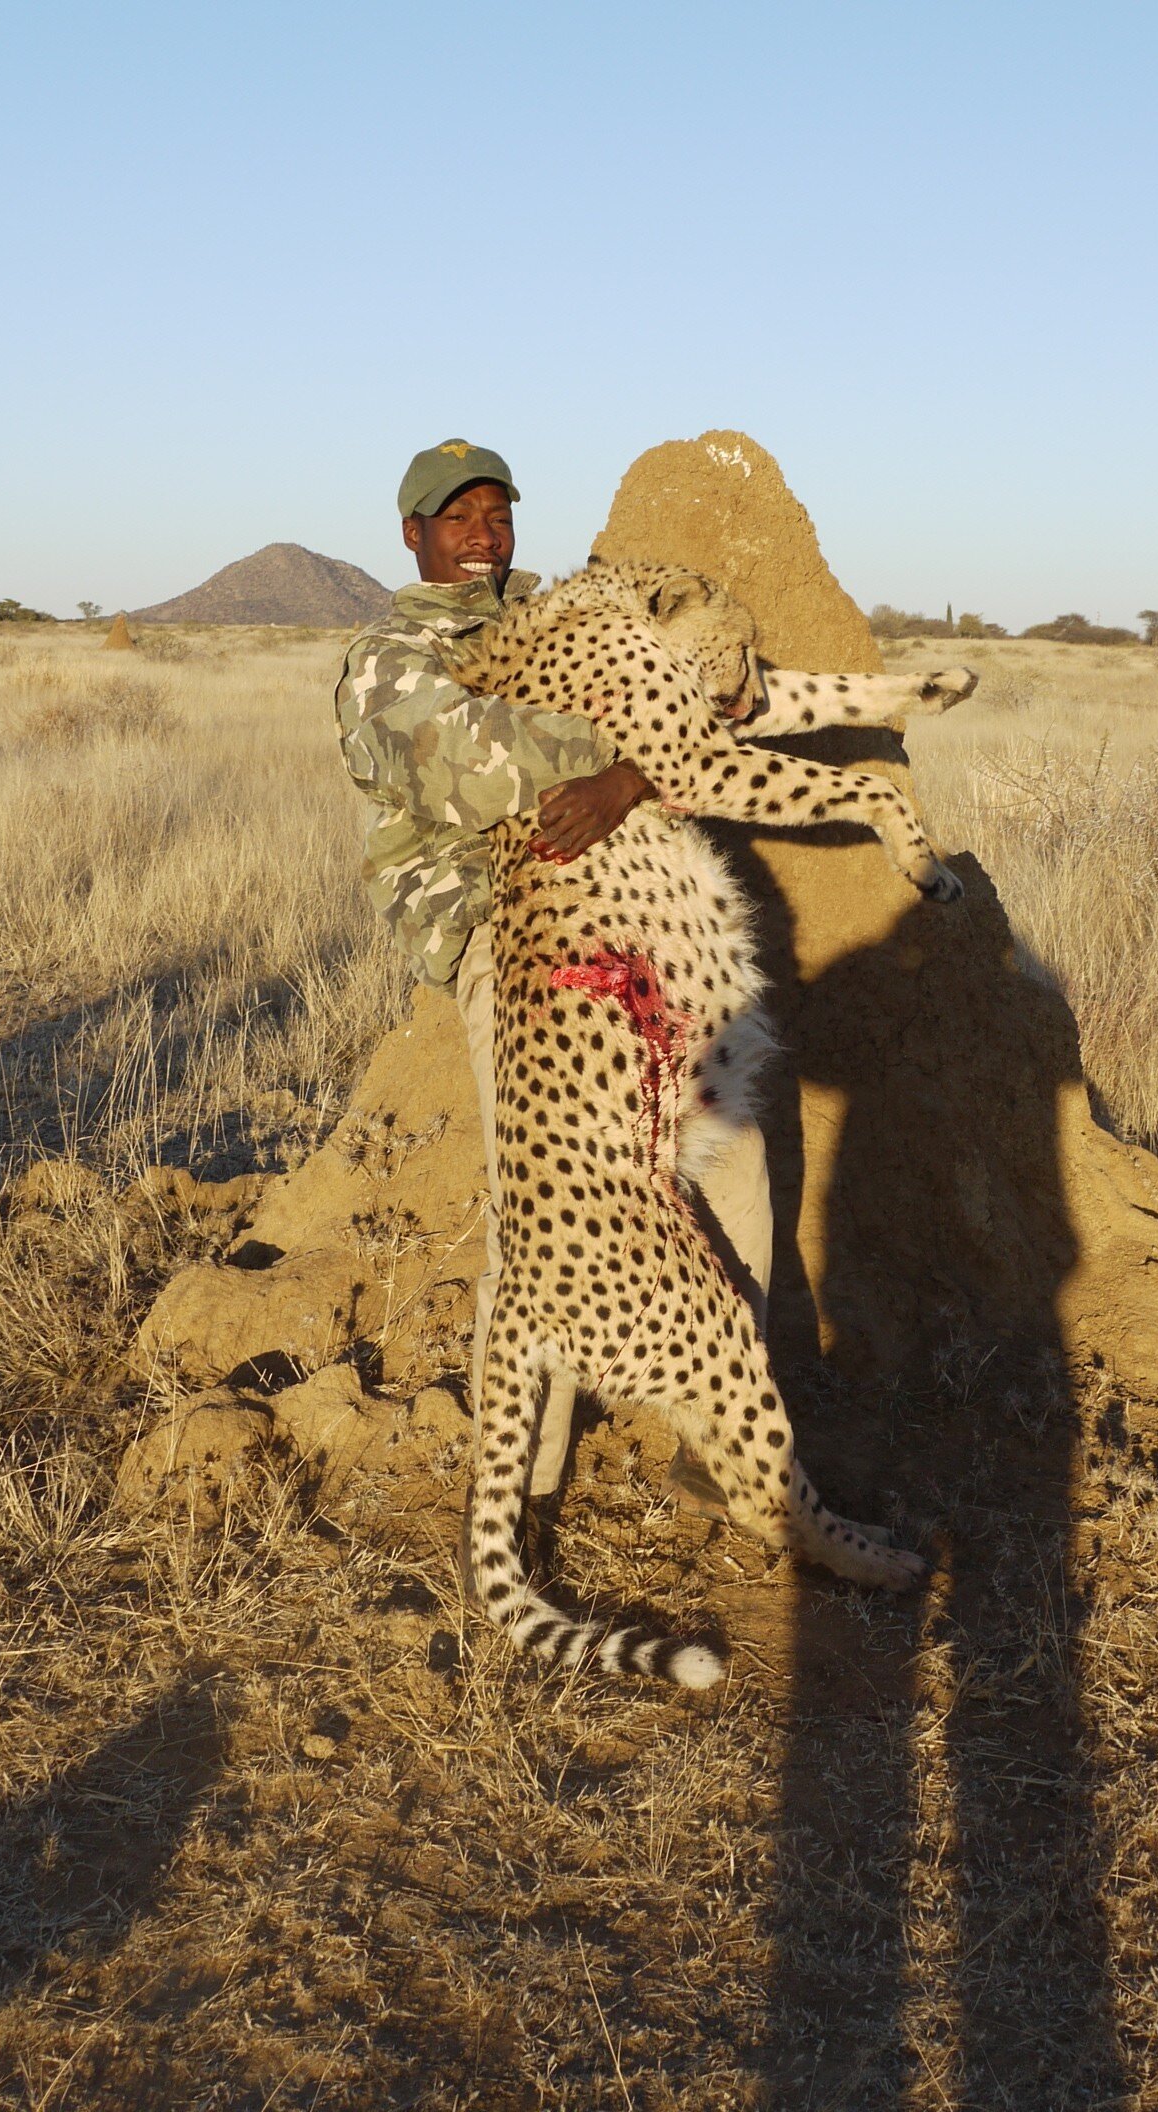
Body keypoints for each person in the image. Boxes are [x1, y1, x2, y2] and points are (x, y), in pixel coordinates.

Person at [332, 440, 770, 1508]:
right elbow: (474, 762)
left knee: (734, 1155)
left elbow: (717, 695)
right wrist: (644, 739)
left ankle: (729, 1440)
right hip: (518, 940)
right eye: (456, 518)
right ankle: (521, 1493)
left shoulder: (563, 610)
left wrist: (631, 771)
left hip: (641, 912)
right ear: (412, 536)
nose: (482, 534)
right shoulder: (388, 658)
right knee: (543, 1218)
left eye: (495, 514)